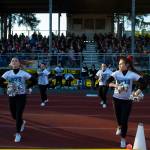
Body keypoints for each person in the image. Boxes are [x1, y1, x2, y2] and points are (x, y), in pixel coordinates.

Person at [106, 56, 146, 148]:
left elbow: (144, 82)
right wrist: (116, 86)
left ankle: (123, 139)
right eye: (119, 64)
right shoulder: (116, 73)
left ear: (127, 65)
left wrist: (137, 92)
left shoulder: (132, 74)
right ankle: (119, 126)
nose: (119, 65)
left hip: (127, 101)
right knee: (119, 119)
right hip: (116, 99)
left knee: (124, 120)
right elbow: (108, 82)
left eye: (121, 64)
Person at [0, 57, 35, 143]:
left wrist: (28, 88)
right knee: (13, 115)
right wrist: (6, 87)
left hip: (21, 96)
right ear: (10, 64)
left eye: (16, 61)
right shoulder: (7, 73)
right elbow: (0, 81)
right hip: (12, 96)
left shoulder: (23, 73)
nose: (14, 62)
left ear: (19, 64)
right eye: (12, 61)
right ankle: (22, 122)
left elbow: (34, 80)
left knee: (18, 114)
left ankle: (18, 134)